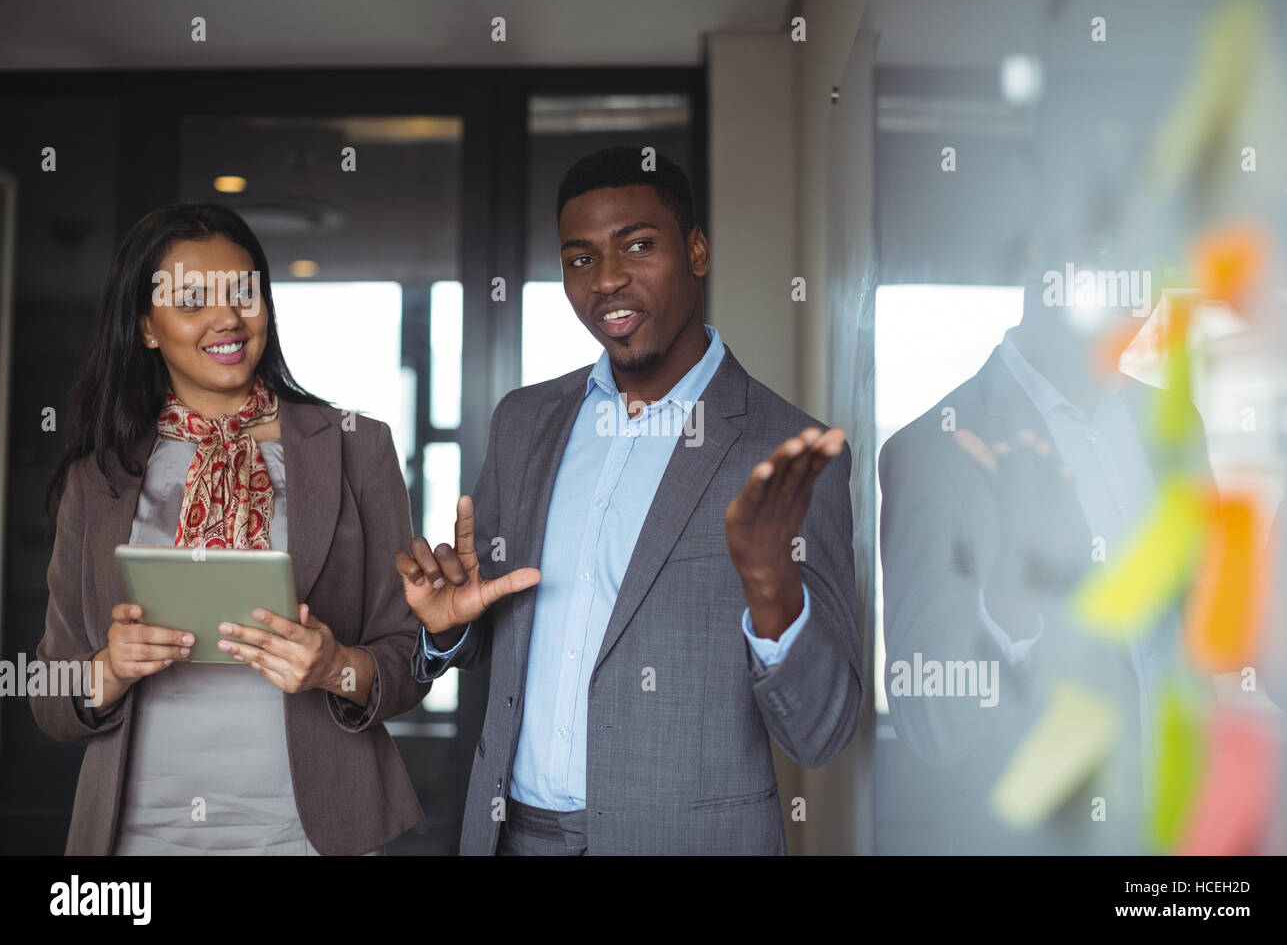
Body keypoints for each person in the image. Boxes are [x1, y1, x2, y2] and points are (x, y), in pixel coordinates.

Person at [398, 147, 863, 855]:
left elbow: (821, 731)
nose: (608, 280)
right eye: (580, 259)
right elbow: (492, 623)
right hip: (509, 836)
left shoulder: (791, 448)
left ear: (697, 250)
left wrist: (772, 588)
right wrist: (448, 629)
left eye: (638, 246)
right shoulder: (523, 423)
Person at [35, 202, 429, 855]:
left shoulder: (357, 448)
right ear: (146, 327)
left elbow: (410, 661)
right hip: (141, 836)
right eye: (192, 300)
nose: (227, 319)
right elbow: (50, 697)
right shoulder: (97, 478)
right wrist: (110, 667)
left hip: (312, 836)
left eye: (242, 292)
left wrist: (335, 667)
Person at [878, 250, 1215, 853]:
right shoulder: (934, 452)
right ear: (1039, 264)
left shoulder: (1173, 422)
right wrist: (1009, 605)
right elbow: (928, 722)